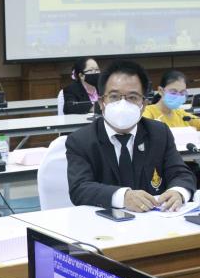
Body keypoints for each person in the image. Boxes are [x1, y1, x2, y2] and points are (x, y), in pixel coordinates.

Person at [66, 60, 196, 213]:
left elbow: (181, 174)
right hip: (103, 223)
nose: (123, 105)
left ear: (144, 105)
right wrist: (122, 197)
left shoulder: (159, 133)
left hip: (155, 221)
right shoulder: (81, 140)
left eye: (132, 97)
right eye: (114, 97)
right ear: (101, 102)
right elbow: (80, 188)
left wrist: (178, 192)